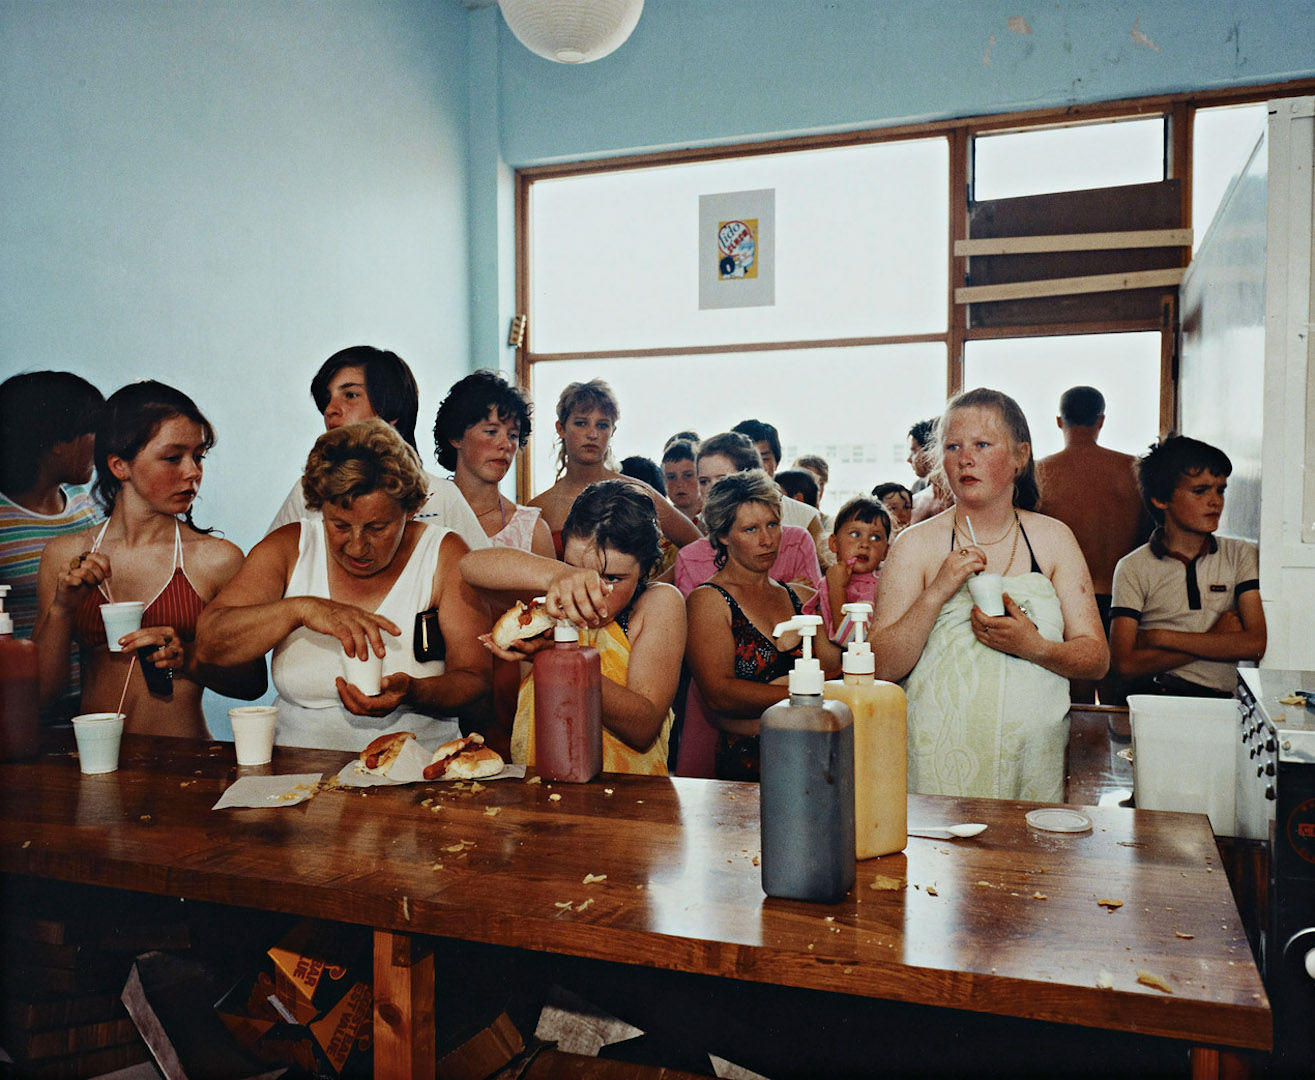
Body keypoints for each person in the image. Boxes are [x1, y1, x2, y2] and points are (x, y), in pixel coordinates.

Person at [870, 388, 1107, 802]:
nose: (965, 458)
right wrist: (938, 592)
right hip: (935, 769)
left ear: (1020, 456)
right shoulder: (915, 545)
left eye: (982, 445)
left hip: (1033, 763)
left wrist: (1033, 646)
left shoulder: (1052, 540)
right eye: (953, 446)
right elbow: (881, 668)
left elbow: (1096, 659)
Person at [195, 419, 490, 751]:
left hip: (419, 771)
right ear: (320, 506)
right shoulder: (289, 548)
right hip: (297, 775)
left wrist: (416, 693)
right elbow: (210, 642)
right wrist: (300, 609)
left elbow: (476, 680)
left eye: (377, 528)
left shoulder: (443, 555)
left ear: (411, 509)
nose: (356, 546)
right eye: (339, 525)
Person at [34, 381, 266, 738]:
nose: (193, 472)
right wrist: (63, 609)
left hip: (186, 762)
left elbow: (252, 682)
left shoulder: (216, 559)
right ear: (119, 465)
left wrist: (187, 657)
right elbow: (42, 695)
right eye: (173, 458)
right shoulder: (65, 556)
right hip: (96, 760)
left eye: (199, 456)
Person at [462, 481, 685, 775]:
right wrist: (560, 575)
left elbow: (642, 727)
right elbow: (469, 566)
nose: (590, 591)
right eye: (577, 571)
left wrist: (561, 659)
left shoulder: (658, 604)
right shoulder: (553, 600)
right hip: (539, 785)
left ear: (646, 568)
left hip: (629, 796)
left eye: (613, 578)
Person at [684, 471, 843, 780]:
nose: (767, 539)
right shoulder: (708, 601)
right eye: (750, 529)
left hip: (820, 760)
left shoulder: (802, 597)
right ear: (723, 536)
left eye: (772, 524)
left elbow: (839, 670)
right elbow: (719, 694)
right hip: (749, 770)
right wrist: (809, 695)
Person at [267, 345, 486, 549]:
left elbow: (483, 576)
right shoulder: (307, 492)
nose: (330, 410)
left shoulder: (442, 496)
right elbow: (268, 568)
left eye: (351, 395)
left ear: (391, 409)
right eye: (327, 399)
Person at [1110, 436, 1265, 699]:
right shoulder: (1133, 567)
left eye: (1220, 490)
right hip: (1156, 697)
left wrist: (1160, 637)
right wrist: (1216, 637)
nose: (1216, 501)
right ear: (1161, 499)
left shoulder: (1241, 555)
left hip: (1221, 702)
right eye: (1200, 490)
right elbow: (1125, 665)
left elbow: (1254, 644)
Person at [1035, 386, 1153, 702]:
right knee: (1121, 709)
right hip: (1125, 603)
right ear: (1101, 420)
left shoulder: (1039, 473)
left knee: (1077, 708)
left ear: (1060, 422)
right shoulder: (1134, 470)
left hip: (1066, 603)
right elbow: (1150, 540)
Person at [0, 372, 105, 720]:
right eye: (93, 430)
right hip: (26, 704)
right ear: (58, 441)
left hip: (91, 698)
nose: (100, 444)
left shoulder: (84, 503)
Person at [529, 379, 700, 559]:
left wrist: (658, 585)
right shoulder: (538, 508)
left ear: (612, 431)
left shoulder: (638, 492)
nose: (592, 434)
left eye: (602, 425)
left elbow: (699, 546)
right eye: (581, 423)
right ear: (561, 428)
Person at [675, 433, 822, 605]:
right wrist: (787, 594)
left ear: (751, 479)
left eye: (723, 479)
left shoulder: (796, 542)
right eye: (704, 481)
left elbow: (814, 610)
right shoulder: (690, 558)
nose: (712, 490)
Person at [433, 370, 554, 557]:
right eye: (491, 431)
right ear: (456, 437)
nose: (505, 444)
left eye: (513, 435)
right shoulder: (425, 514)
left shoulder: (532, 531)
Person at [806, 496, 890, 646]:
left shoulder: (880, 588)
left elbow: (853, 641)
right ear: (834, 543)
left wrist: (837, 588)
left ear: (886, 551)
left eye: (875, 537)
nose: (865, 544)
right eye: (855, 534)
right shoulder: (829, 579)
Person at [907, 418, 952, 524]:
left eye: (914, 450)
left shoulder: (962, 498)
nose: (909, 459)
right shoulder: (915, 499)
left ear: (932, 449)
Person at [660, 439, 702, 523]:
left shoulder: (717, 517)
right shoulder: (660, 521)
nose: (679, 484)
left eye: (688, 475)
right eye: (671, 477)